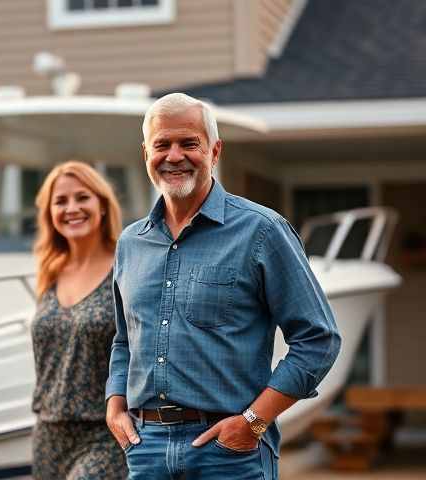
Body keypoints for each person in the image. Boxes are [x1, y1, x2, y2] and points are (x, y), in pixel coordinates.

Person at [105, 93, 341, 480]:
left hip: (229, 455)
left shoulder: (262, 231)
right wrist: (115, 407)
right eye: (162, 144)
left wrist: (254, 423)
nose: (174, 155)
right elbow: (124, 340)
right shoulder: (132, 243)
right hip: (145, 451)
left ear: (214, 151)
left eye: (189, 143)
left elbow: (319, 339)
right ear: (146, 153)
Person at [31, 161, 127, 479]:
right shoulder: (50, 270)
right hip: (48, 433)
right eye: (61, 201)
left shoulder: (127, 266)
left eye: (82, 197)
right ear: (49, 213)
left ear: (101, 204)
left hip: (105, 431)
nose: (72, 208)